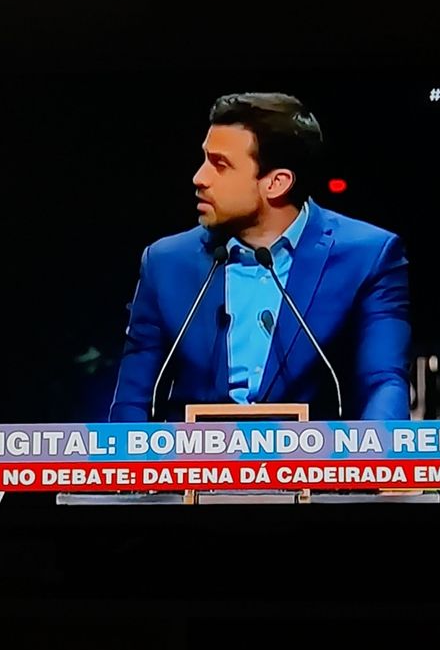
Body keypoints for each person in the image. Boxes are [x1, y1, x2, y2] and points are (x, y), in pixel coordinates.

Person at [109, 91, 412, 422]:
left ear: (276, 183)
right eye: (204, 159)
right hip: (194, 455)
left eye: (220, 165)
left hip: (317, 454)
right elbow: (133, 402)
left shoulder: (368, 256)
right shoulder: (165, 263)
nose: (199, 178)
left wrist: (377, 451)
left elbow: (383, 382)